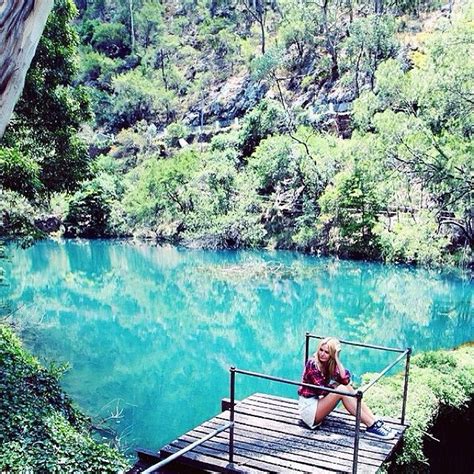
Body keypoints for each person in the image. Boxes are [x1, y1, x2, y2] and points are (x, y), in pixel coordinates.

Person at [298, 337, 395, 440]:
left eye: (327, 352)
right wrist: (335, 386)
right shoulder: (312, 364)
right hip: (309, 410)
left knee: (346, 387)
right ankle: (370, 425)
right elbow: (321, 390)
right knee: (341, 390)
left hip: (317, 404)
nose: (322, 354)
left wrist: (336, 359)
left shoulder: (329, 363)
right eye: (321, 350)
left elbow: (345, 380)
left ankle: (374, 420)